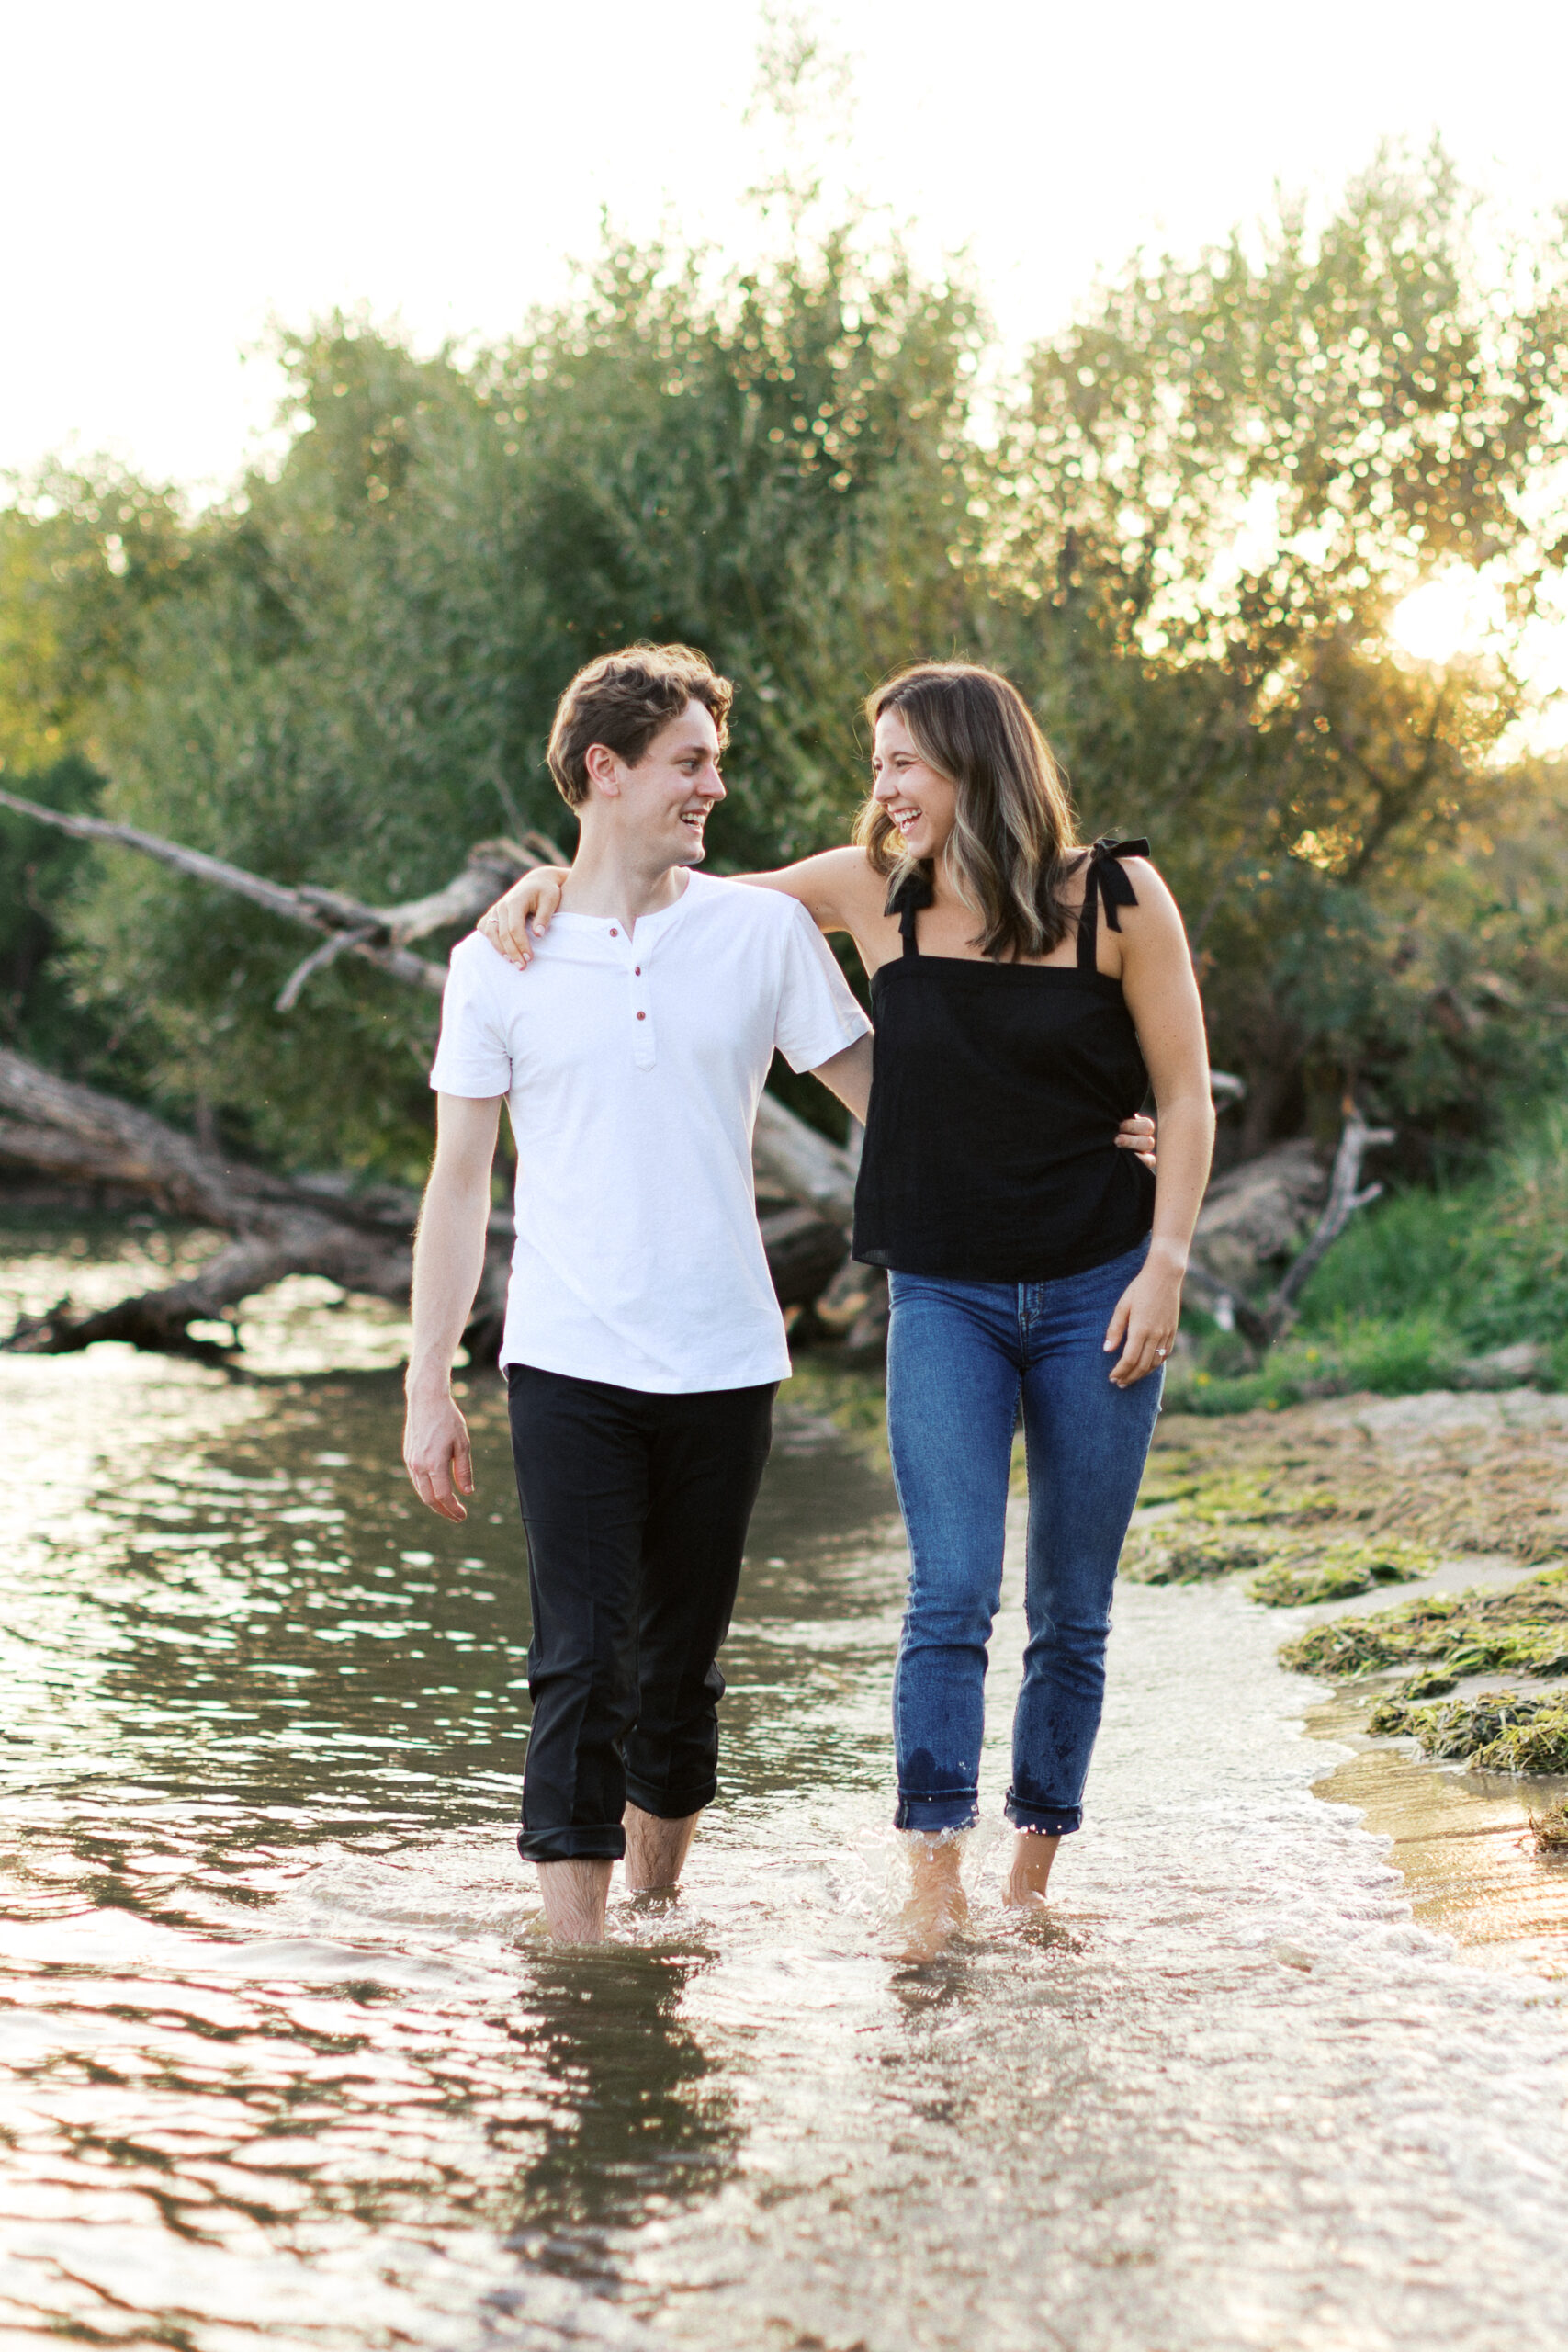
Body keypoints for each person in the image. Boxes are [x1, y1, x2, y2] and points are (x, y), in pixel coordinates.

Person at [480, 662, 1213, 1944]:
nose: (879, 788)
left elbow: (1190, 1096)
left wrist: (1167, 1260)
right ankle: (935, 1886)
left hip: (1103, 1276)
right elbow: (667, 909)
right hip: (946, 1290)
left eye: (901, 764)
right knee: (948, 1593)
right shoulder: (871, 888)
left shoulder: (1117, 896)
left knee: (1073, 1606)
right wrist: (548, 887)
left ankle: (1031, 1884)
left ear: (978, 759)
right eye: (875, 765)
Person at [402, 643, 874, 1944]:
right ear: (604, 770)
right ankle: (579, 1971)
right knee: (579, 1663)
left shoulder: (759, 933)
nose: (714, 786)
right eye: (690, 762)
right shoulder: (496, 963)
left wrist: (1083, 1132)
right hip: (564, 1360)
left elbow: (897, 1104)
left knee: (677, 1681)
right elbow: (456, 1189)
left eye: (715, 762)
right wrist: (427, 1382)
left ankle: (659, 1923)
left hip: (727, 1360)